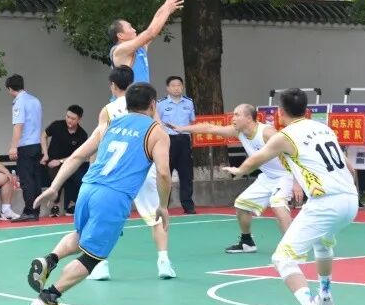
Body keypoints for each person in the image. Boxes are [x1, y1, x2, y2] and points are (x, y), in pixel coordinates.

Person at [24, 82, 171, 305]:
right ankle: (49, 296)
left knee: (81, 234)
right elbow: (163, 173)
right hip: (113, 196)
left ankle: (50, 259)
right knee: (92, 257)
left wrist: (54, 186)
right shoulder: (156, 132)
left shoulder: (110, 123)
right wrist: (163, 205)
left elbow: (77, 156)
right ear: (153, 105)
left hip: (88, 187)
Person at [224, 88, 359, 305]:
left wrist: (239, 171)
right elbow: (348, 164)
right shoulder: (323, 128)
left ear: (280, 112)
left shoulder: (285, 136)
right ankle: (325, 298)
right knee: (322, 245)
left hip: (325, 203)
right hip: (350, 200)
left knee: (282, 259)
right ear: (306, 109)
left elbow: (257, 158)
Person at [86, 65, 176, 280]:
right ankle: (164, 261)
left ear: (112, 85)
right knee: (157, 215)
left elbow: (100, 143)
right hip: (147, 166)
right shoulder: (148, 107)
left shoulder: (108, 111)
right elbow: (159, 132)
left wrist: (93, 167)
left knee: (103, 218)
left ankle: (100, 265)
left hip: (117, 173)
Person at [171, 104, 297, 253]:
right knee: (241, 205)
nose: (233, 118)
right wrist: (182, 129)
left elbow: (294, 153)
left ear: (249, 118)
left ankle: (293, 248)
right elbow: (210, 128)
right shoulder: (238, 131)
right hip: (267, 177)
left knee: (278, 205)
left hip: (286, 176)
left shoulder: (267, 132)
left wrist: (296, 182)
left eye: (237, 115)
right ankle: (247, 243)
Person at [108, 0, 190, 84]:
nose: (134, 30)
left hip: (143, 92)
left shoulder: (139, 48)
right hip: (130, 94)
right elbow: (150, 33)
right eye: (130, 27)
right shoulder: (119, 50)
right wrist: (167, 10)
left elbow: (156, 18)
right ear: (120, 35)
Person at [6, 74, 46, 222]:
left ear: (10, 89)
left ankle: (29, 210)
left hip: (25, 145)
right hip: (36, 144)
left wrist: (13, 147)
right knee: (36, 179)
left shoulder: (19, 102)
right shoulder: (35, 100)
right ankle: (35, 210)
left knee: (26, 180)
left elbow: (18, 126)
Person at [41, 105, 89, 216]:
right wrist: (45, 154)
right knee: (57, 176)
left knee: (80, 178)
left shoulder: (82, 135)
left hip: (71, 162)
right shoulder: (57, 125)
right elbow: (43, 136)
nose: (69, 120)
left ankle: (72, 204)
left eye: (73, 118)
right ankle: (55, 205)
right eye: (68, 117)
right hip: (52, 161)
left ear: (79, 119)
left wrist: (61, 161)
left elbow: (79, 155)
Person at [158, 75, 197, 214]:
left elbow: (192, 121)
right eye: (173, 85)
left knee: (186, 174)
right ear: (167, 88)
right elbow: (157, 123)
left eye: (179, 85)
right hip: (168, 140)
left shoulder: (189, 102)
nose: (176, 88)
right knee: (165, 173)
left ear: (182, 87)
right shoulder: (161, 104)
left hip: (184, 140)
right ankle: (163, 205)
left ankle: (188, 205)